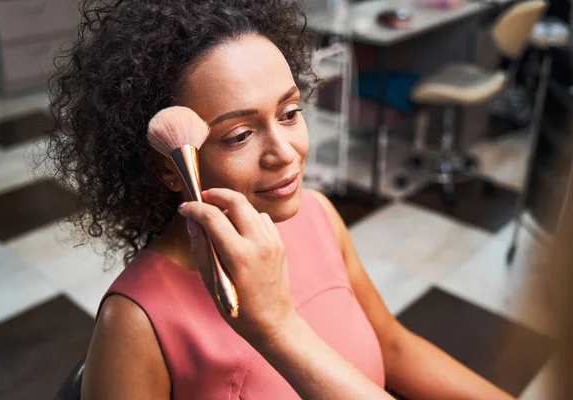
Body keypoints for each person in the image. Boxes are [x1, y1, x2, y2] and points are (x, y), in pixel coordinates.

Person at [47, 0, 515, 398]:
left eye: (290, 112)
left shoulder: (318, 216)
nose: (285, 152)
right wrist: (274, 325)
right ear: (172, 168)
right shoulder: (135, 322)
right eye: (241, 134)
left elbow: (392, 347)